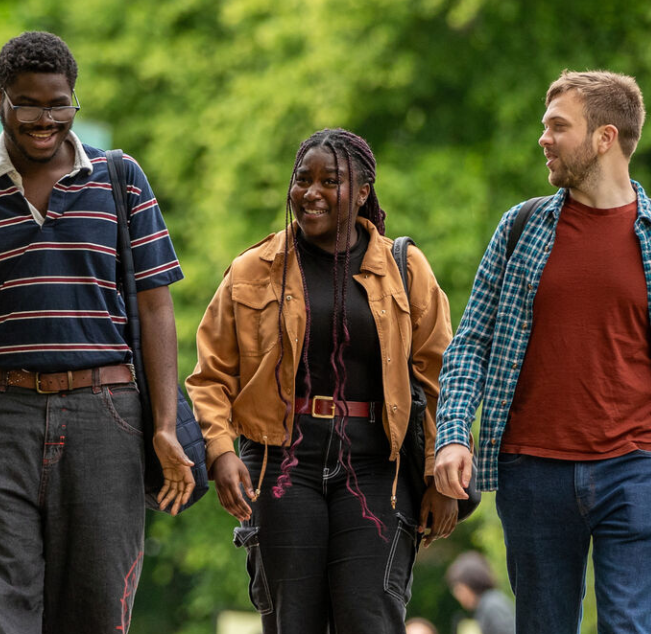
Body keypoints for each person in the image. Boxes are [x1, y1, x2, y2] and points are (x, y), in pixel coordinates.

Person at [0, 31, 195, 633]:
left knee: (98, 614)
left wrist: (165, 426)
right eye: (28, 103)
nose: (45, 119)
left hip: (107, 419)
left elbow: (155, 308)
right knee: (1, 615)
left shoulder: (120, 181)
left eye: (59, 104)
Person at [432, 70, 651, 633]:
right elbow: (471, 340)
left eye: (558, 127)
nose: (543, 138)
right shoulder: (521, 228)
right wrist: (453, 431)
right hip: (532, 470)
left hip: (640, 468)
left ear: (605, 137)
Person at [188, 128, 458, 633]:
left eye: (329, 180)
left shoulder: (406, 268)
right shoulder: (253, 270)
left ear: (362, 191)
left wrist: (443, 476)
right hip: (282, 464)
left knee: (370, 617)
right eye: (302, 179)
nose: (310, 192)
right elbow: (211, 375)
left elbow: (441, 373)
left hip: (379, 469)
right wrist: (221, 451)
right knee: (293, 621)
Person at [448, 551, 515, 634]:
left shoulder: (492, 605)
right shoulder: (486, 604)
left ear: (470, 582)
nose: (456, 595)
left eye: (458, 588)